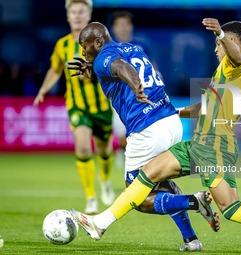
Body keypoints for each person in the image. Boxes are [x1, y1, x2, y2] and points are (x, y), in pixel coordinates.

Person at [71, 19, 241, 255]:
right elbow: (206, 107)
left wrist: (221, 33)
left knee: (144, 178)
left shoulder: (239, 64)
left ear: (232, 42)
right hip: (219, 144)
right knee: (232, 209)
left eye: (218, 45)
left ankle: (100, 222)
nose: (216, 49)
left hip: (209, 145)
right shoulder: (226, 76)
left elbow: (237, 55)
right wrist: (175, 112)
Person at [67, 22, 220, 251]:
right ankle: (191, 240)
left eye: (84, 46)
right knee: (160, 182)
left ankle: (193, 201)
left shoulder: (104, 59)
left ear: (98, 43)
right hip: (171, 121)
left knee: (135, 192)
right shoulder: (133, 48)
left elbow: (121, 68)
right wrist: (95, 72)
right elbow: (118, 70)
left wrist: (136, 86)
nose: (83, 52)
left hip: (147, 129)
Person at [33, 0, 115, 214]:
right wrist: (44, 89)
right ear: (68, 16)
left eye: (81, 12)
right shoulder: (62, 45)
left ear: (88, 15)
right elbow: (55, 69)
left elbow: (112, 69)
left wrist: (90, 73)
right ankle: (90, 196)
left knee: (104, 149)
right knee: (83, 147)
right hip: (77, 106)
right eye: (73, 12)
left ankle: (105, 180)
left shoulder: (101, 42)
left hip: (102, 106)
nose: (77, 15)